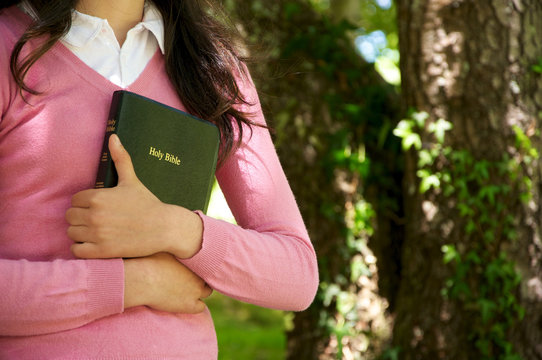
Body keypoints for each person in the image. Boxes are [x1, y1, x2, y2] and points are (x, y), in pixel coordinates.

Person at [0, 0, 319, 358]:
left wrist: (174, 229)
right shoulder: (8, 46)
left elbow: (296, 275)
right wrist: (132, 285)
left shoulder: (212, 68)